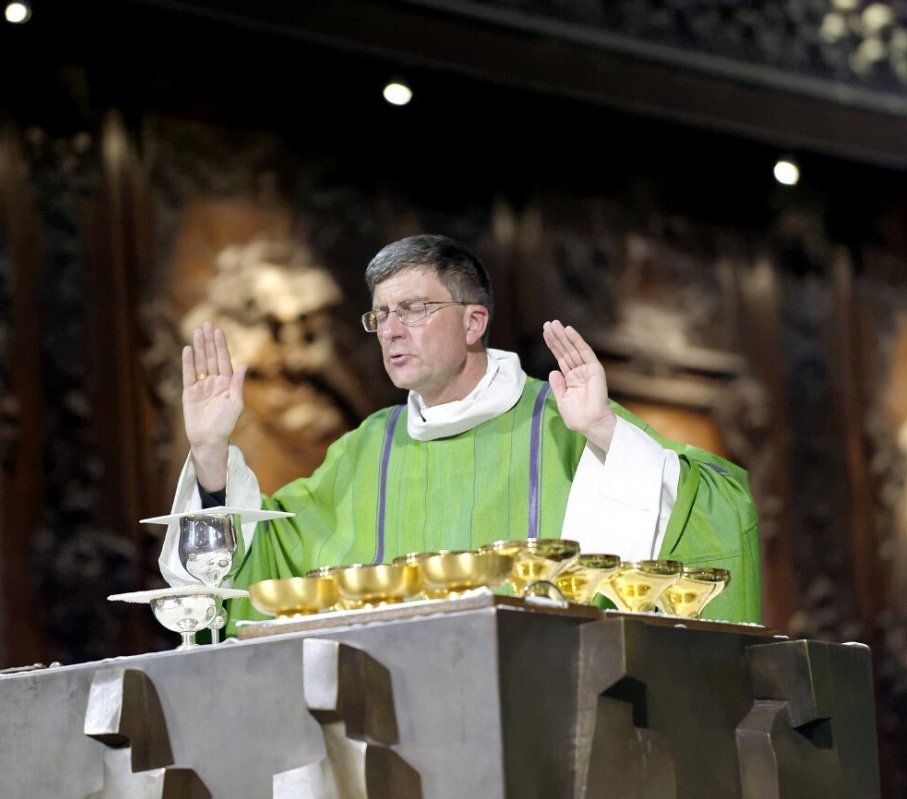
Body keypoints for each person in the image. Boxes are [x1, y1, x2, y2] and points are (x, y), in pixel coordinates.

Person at [158, 234, 760, 631]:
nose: (391, 330)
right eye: (380, 315)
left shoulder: (564, 418)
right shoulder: (366, 448)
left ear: (475, 322)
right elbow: (266, 564)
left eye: (414, 310)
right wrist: (211, 453)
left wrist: (604, 432)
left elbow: (714, 510)